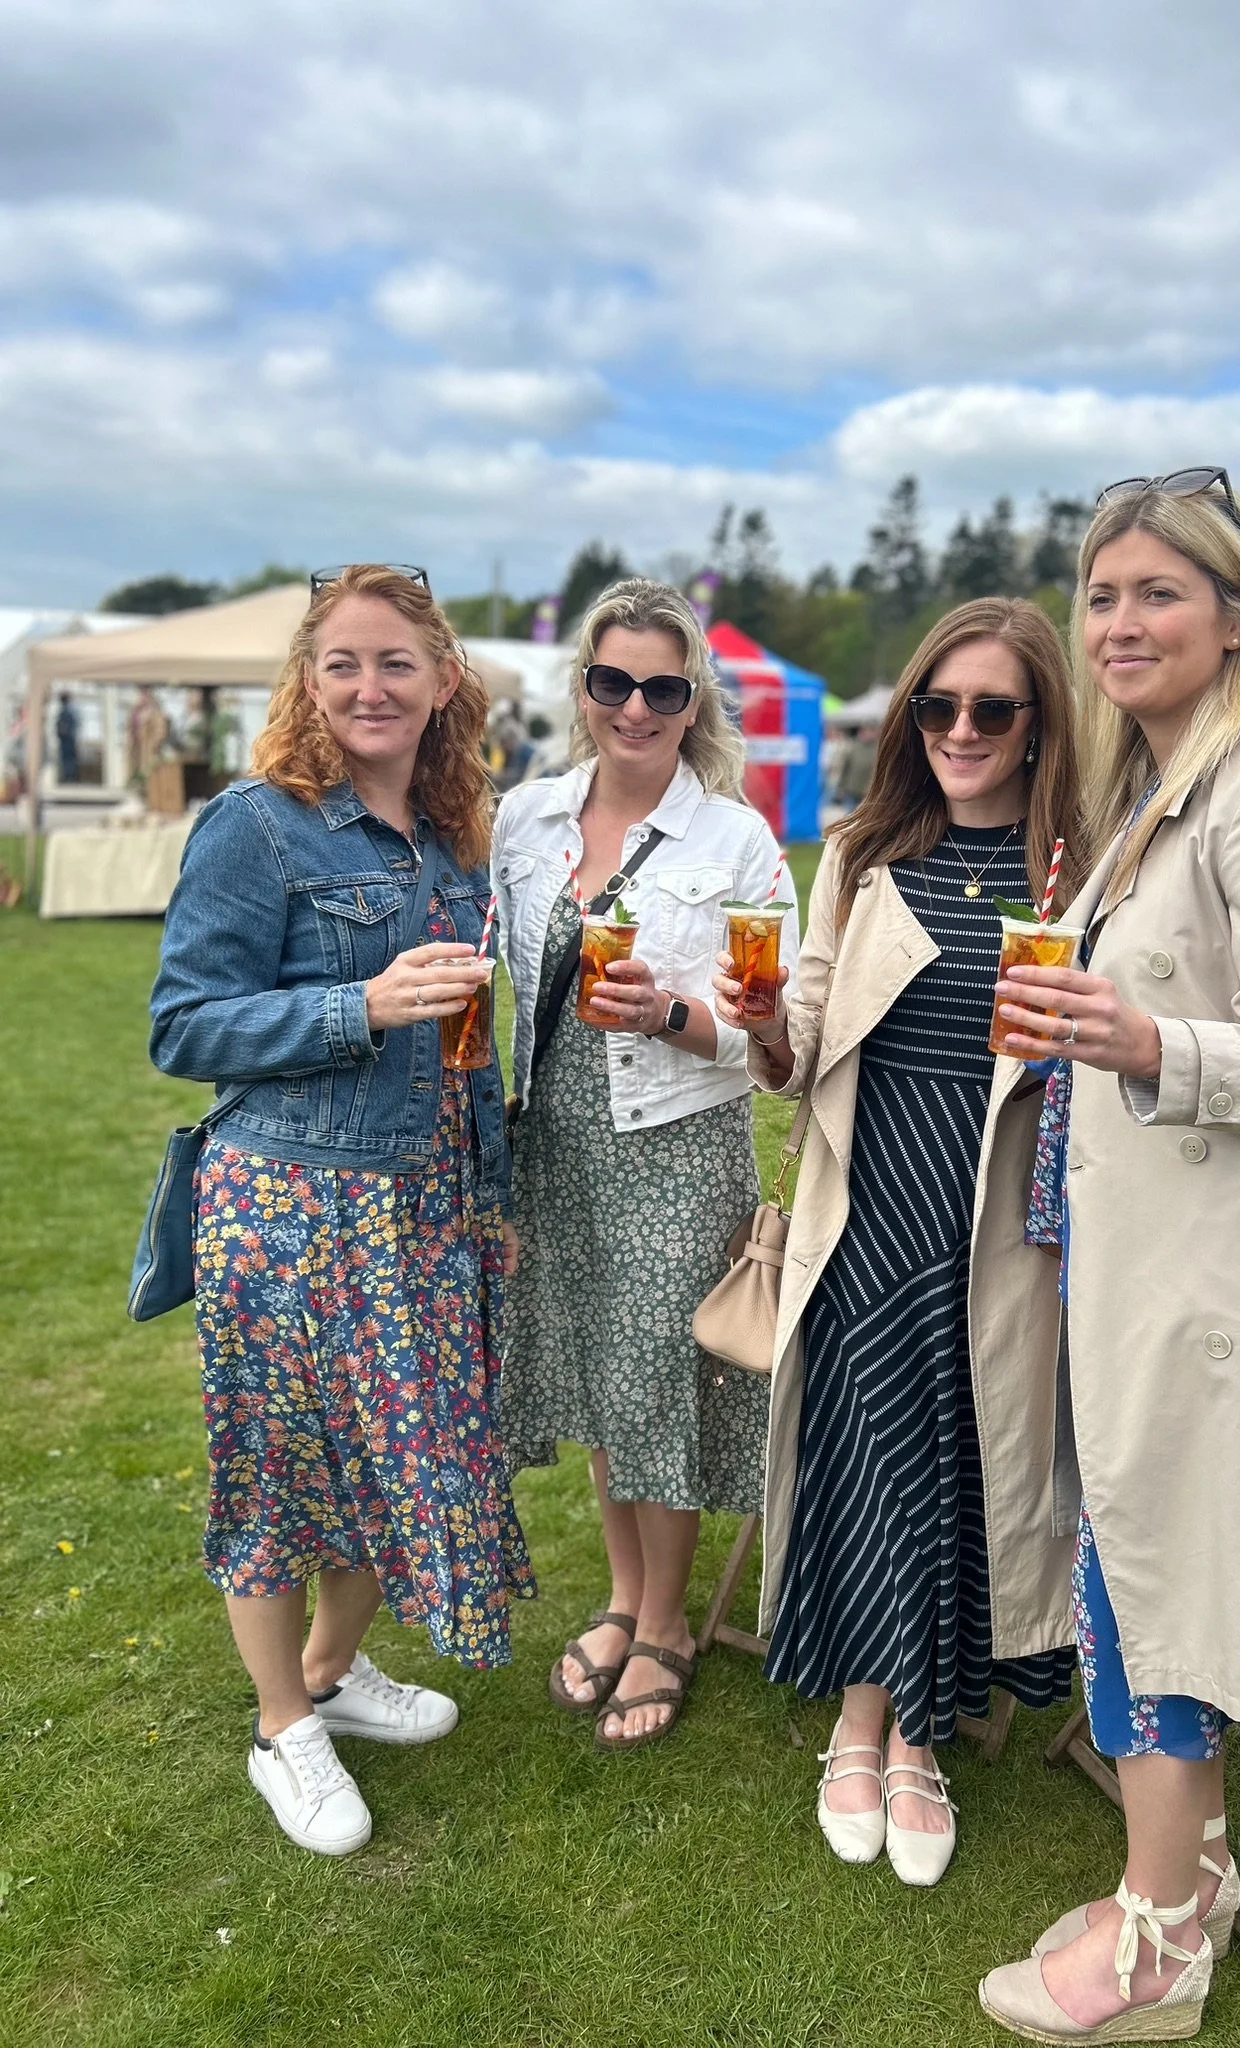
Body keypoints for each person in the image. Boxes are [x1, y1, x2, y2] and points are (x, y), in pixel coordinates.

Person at [980, 469, 1240, 2041]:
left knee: (1166, 1585)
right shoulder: (1160, 793)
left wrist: (1149, 1040)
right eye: (1102, 593)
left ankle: (1161, 1943)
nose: (1121, 619)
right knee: (1143, 1573)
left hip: (1221, 1289)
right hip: (1140, 1273)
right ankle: (1187, 1870)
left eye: (1159, 590)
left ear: (1237, 616)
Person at [150, 564, 533, 1859]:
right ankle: (280, 1727)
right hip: (290, 1202)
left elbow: (472, 1045)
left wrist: (491, 1195)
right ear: (308, 684)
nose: (369, 688)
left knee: (391, 1467)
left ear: (442, 684)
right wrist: (356, 1006)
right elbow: (182, 1023)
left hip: (423, 1209)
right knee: (277, 1475)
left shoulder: (453, 842)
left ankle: (329, 1669)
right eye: (342, 665)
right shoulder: (257, 825)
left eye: (395, 664)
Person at [716, 597, 1087, 1888]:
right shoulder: (868, 856)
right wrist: (761, 1025)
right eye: (938, 706)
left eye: (992, 708)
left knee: (967, 1471)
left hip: (997, 1225)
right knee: (875, 1460)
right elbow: (799, 1040)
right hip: (869, 1206)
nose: (961, 730)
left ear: (1041, 723)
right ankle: (862, 1725)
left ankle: (923, 1736)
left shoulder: (1075, 869)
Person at [492, 576, 797, 1752]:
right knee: (597, 1369)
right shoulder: (527, 819)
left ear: (691, 700)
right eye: (613, 681)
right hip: (559, 1135)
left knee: (664, 1379)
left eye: (661, 686)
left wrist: (674, 1013)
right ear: (583, 687)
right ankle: (623, 1596)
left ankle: (665, 1621)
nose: (635, 706)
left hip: (675, 1136)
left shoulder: (737, 839)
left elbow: (781, 1035)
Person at [55, 690, 80, 784]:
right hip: (69, 738)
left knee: (68, 759)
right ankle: (70, 777)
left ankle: (70, 778)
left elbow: (63, 726)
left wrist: (61, 732)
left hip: (67, 739)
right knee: (70, 759)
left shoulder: (65, 711)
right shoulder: (70, 710)